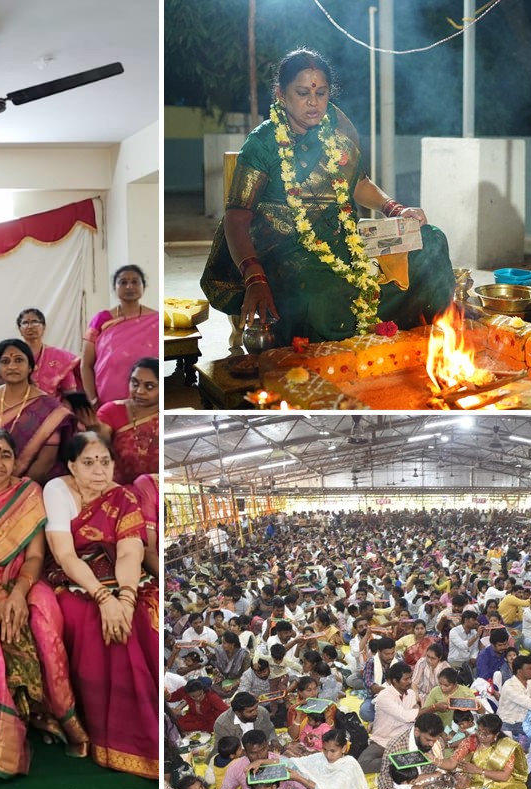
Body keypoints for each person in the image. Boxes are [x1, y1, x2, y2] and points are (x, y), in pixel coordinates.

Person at [201, 49, 452, 346]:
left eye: (321, 93)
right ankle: (334, 352)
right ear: (281, 93)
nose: (313, 102)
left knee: (432, 239)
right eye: (303, 92)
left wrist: (395, 209)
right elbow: (236, 218)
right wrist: (254, 276)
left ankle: (425, 336)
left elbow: (358, 183)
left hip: (343, 237)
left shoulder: (338, 129)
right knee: (317, 298)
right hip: (286, 248)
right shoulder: (263, 143)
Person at [0, 428, 88, 776]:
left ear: (16, 460)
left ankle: (60, 714)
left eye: (6, 454)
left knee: (43, 619)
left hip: (23, 576)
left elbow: (36, 555)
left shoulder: (28, 491)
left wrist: (16, 592)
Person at [43, 431, 159, 778]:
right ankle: (114, 737)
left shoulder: (123, 497)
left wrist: (124, 595)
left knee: (145, 612)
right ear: (72, 466)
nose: (98, 470)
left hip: (121, 573)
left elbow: (129, 551)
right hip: (74, 576)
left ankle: (153, 725)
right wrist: (103, 597)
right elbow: (64, 555)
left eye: (105, 462)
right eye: (89, 462)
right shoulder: (57, 491)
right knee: (96, 622)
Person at [0, 339, 75, 484]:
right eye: (5, 362)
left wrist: (15, 492)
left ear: (31, 367)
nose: (12, 366)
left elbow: (46, 460)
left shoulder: (49, 407)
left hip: (29, 488)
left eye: (19, 360)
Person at [82, 265, 158, 409]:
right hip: (108, 398)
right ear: (114, 288)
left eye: (135, 282)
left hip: (149, 399)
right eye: (123, 282)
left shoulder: (156, 320)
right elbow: (86, 365)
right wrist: (92, 400)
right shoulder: (101, 319)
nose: (129, 286)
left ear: (143, 286)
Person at [456, 714, 531, 789]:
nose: (480, 736)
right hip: (480, 783)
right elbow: (454, 761)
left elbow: (505, 776)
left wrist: (478, 770)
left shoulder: (506, 746)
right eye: (479, 731)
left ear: (496, 735)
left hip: (504, 783)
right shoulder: (472, 741)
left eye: (485, 734)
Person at [94, 357, 158, 485]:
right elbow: (98, 448)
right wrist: (92, 428)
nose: (139, 391)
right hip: (116, 490)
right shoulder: (112, 411)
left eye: (149, 386)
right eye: (134, 383)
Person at [15, 307, 81, 398]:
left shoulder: (60, 357)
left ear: (44, 327)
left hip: (53, 409)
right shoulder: (12, 356)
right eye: (25, 323)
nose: (30, 326)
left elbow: (70, 393)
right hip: (18, 408)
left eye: (35, 322)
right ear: (19, 329)